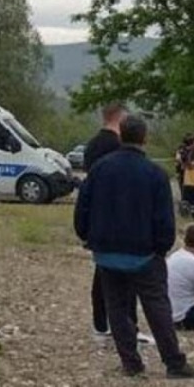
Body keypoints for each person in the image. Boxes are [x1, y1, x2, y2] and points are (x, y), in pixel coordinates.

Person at [74, 115, 194, 379]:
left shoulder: (100, 169)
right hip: (145, 254)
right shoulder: (155, 174)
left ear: (121, 136)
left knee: (117, 309)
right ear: (145, 138)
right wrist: (161, 248)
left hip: (107, 252)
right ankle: (174, 363)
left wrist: (89, 237)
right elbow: (165, 219)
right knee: (157, 307)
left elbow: (82, 208)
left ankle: (131, 363)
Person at [82, 104, 149, 344]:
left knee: (102, 275)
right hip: (120, 219)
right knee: (124, 278)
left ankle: (101, 324)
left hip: (99, 221)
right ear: (120, 119)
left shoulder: (92, 146)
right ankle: (125, 325)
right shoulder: (115, 148)